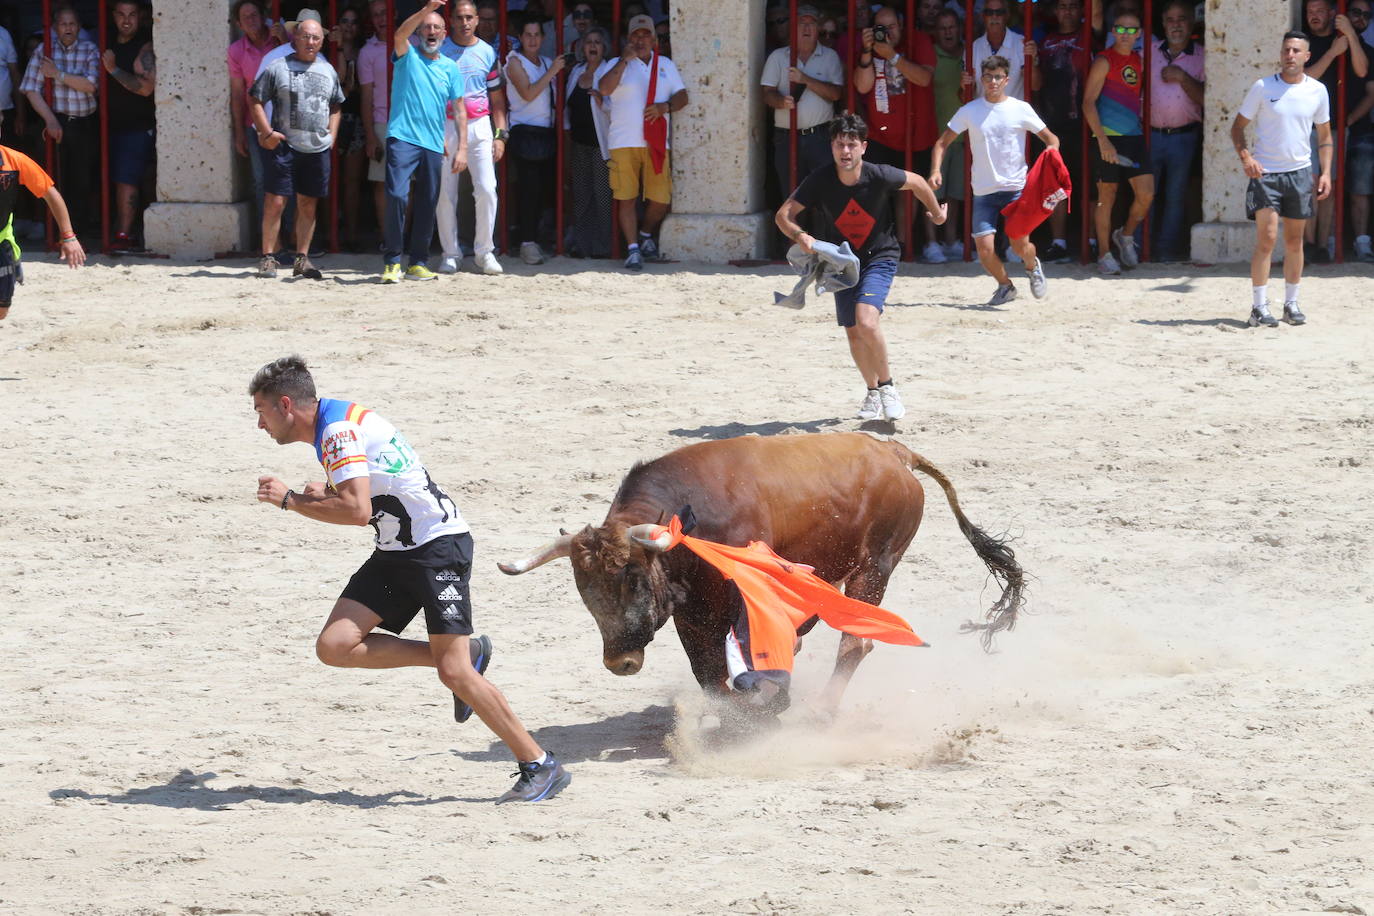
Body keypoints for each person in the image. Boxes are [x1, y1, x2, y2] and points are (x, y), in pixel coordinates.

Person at [249, 355, 571, 805]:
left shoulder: (337, 432)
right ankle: (471, 653)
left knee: (453, 672)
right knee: (336, 645)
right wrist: (321, 494)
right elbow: (378, 489)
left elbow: (358, 511)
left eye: (261, 412)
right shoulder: (338, 416)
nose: (260, 425)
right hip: (397, 549)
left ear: (285, 405)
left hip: (438, 550)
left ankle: (540, 764)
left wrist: (290, 501)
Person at [775, 113, 948, 423]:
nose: (845, 152)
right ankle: (872, 392)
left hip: (880, 255)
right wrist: (801, 236)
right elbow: (783, 216)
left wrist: (937, 215)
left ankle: (888, 387)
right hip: (840, 262)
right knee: (853, 333)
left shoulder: (879, 175)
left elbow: (920, 183)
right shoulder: (819, 179)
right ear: (831, 147)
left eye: (852, 145)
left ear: (863, 147)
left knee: (866, 320)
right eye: (840, 145)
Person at [931, 56, 1058, 306]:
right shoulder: (970, 110)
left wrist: (1050, 162)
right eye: (988, 77)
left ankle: (1032, 267)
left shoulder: (1020, 108)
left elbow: (1051, 139)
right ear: (982, 79)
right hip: (984, 191)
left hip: (1015, 189)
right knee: (985, 251)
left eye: (998, 77)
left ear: (1007, 80)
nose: (993, 82)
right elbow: (941, 142)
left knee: (1020, 246)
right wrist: (936, 170)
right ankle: (1005, 285)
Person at [1232, 31, 1331, 327]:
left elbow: (1324, 136)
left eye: (1296, 50)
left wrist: (1325, 172)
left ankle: (1291, 303)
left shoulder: (1318, 90)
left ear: (1306, 56)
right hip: (1266, 175)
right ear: (1280, 54)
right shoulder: (1262, 87)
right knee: (1267, 238)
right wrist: (1246, 158)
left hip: (1300, 173)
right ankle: (1259, 307)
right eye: (1286, 49)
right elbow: (1237, 128)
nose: (1290, 55)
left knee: (1294, 240)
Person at [249, 13, 344, 280]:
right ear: (295, 38)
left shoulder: (327, 69)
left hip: (315, 148)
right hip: (284, 146)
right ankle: (268, 257)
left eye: (316, 37)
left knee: (308, 203)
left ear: (322, 41)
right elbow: (254, 98)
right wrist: (265, 131)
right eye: (305, 36)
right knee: (276, 201)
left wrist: (332, 135)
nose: (310, 41)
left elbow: (336, 105)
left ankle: (302, 258)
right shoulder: (278, 66)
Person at [380, 0, 467, 284]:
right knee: (396, 196)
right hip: (402, 137)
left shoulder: (451, 68)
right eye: (426, 26)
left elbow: (460, 108)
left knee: (429, 202)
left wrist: (462, 147)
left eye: (437, 27)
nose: (431, 31)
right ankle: (393, 261)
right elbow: (398, 35)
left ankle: (418, 262)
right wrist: (425, 9)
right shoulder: (407, 54)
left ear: (444, 34)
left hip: (432, 142)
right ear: (419, 31)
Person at [598, 14, 688, 271]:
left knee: (661, 198)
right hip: (623, 142)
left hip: (657, 143)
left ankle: (646, 235)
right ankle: (633, 248)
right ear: (628, 39)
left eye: (645, 34)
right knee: (626, 198)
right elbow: (604, 89)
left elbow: (683, 96)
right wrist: (624, 62)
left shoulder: (666, 65)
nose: (640, 39)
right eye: (635, 35)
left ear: (654, 39)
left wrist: (665, 106)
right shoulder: (616, 64)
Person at [853, 6, 938, 256]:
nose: (887, 33)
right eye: (881, 28)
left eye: (891, 27)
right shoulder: (870, 49)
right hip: (881, 135)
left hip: (916, 135)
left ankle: (903, 244)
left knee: (909, 193)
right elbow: (862, 85)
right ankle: (876, 244)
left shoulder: (918, 41)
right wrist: (868, 52)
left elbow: (923, 78)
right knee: (874, 191)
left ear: (901, 25)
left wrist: (892, 56)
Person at [1082, 9, 1154, 275]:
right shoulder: (1103, 60)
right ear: (1113, 32)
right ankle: (1104, 254)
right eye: (1120, 29)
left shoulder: (1139, 60)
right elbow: (1088, 103)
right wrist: (1103, 142)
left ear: (1139, 34)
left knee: (1146, 194)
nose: (1125, 34)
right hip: (1107, 138)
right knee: (1106, 198)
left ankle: (1125, 235)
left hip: (1133, 137)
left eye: (1131, 29)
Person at [438, 0, 507, 276]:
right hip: (446, 125)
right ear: (451, 20)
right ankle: (450, 254)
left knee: (487, 189)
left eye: (469, 17)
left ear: (477, 20)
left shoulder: (488, 52)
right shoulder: (439, 50)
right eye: (459, 17)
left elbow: (498, 101)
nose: (464, 22)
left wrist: (501, 136)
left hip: (479, 125)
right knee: (445, 193)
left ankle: (484, 252)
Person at [20, 6, 99, 235]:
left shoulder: (89, 49)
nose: (68, 28)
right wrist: (50, 120)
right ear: (55, 28)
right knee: (53, 180)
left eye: (72, 24)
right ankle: (55, 233)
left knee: (82, 182)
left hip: (84, 124)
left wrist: (57, 75)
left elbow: (90, 85)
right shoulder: (45, 50)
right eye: (63, 24)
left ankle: (79, 233)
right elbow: (30, 89)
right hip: (56, 123)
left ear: (79, 27)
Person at [1302, 0, 1368, 262]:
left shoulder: (1345, 39)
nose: (1314, 16)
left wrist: (1350, 35)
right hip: (1306, 126)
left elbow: (1362, 70)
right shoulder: (1303, 41)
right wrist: (1332, 53)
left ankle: (1321, 245)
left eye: (1319, 11)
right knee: (1309, 184)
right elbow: (1303, 79)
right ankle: (1307, 245)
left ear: (1332, 13)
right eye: (1309, 12)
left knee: (1328, 186)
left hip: (1334, 126)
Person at [760, 4, 843, 198]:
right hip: (786, 138)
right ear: (793, 28)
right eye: (801, 23)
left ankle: (818, 230)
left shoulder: (830, 57)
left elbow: (836, 94)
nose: (806, 29)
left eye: (811, 24)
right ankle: (795, 229)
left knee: (824, 194)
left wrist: (805, 79)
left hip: (820, 137)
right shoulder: (778, 57)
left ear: (817, 29)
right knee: (791, 196)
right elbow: (766, 94)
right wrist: (781, 102)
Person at [0, 141, 85, 321]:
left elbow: (50, 193)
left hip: (2, 243)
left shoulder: (14, 160)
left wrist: (68, 237)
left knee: (2, 310)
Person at [1146, 1, 1204, 262]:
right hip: (1150, 135)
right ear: (1163, 23)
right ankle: (1140, 248)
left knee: (1175, 197)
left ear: (1191, 23)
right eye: (1170, 19)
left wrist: (1182, 77)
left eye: (1181, 19)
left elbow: (1207, 99)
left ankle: (1165, 251)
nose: (1176, 24)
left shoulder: (1202, 55)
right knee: (1145, 194)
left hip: (1184, 136)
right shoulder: (1149, 51)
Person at [1037, 0, 1092, 262]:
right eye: (1062, 6)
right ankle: (1058, 243)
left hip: (1087, 123)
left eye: (1073, 5)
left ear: (1082, 10)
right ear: (1054, 11)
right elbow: (1036, 84)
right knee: (1056, 186)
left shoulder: (1091, 35)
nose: (1067, 11)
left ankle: (1091, 241)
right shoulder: (1045, 42)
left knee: (1091, 185)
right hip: (1054, 125)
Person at [505, 16, 562, 266]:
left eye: (536, 35)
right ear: (520, 38)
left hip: (546, 134)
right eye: (527, 35)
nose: (532, 39)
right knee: (528, 191)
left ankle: (536, 239)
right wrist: (552, 73)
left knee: (543, 192)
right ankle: (527, 243)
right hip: (524, 133)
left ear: (543, 37)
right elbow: (527, 93)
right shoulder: (513, 62)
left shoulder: (547, 62)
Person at [101, 0, 156, 252]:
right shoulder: (107, 41)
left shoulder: (144, 45)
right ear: (112, 16)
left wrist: (112, 70)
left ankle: (124, 234)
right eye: (121, 14)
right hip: (106, 126)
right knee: (112, 179)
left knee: (127, 179)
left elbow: (146, 88)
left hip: (136, 127)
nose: (126, 20)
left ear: (140, 16)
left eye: (132, 14)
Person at [228, 0, 282, 241]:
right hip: (255, 124)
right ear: (238, 24)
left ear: (263, 16)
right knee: (262, 180)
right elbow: (238, 93)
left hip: (286, 121)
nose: (250, 20)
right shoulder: (237, 51)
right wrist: (239, 132)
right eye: (244, 17)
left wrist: (285, 41)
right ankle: (269, 240)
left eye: (254, 14)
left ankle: (291, 235)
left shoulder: (280, 38)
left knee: (288, 177)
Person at [564, 25, 613, 258]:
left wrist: (604, 103)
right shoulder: (576, 72)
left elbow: (618, 109)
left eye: (598, 42)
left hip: (601, 147)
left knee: (603, 197)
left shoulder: (609, 71)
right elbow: (566, 109)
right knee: (582, 196)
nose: (593, 46)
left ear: (605, 48)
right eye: (589, 42)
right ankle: (582, 246)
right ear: (583, 47)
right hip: (578, 144)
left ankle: (604, 247)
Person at [927, 9, 965, 262]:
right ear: (935, 32)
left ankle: (951, 241)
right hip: (936, 135)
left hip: (963, 137)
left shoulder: (968, 55)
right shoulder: (931, 56)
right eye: (943, 28)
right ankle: (931, 243)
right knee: (931, 191)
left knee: (956, 193)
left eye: (952, 27)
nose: (948, 32)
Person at [330, 5, 368, 251]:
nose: (348, 26)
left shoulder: (366, 51)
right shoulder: (326, 50)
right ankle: (329, 232)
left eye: (353, 22)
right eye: (344, 20)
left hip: (356, 118)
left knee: (352, 181)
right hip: (330, 117)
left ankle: (352, 235)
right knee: (330, 179)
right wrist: (340, 48)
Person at [358, 0, 390, 245]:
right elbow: (366, 97)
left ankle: (403, 235)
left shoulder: (412, 43)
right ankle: (385, 236)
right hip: (381, 122)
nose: (381, 18)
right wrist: (370, 135)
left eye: (385, 13)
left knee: (409, 184)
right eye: (376, 15)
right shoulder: (368, 51)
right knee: (381, 183)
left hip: (409, 122)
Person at [1345, 1, 1374, 261]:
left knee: (1361, 184)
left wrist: (1350, 120)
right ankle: (1325, 240)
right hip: (1323, 127)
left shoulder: (1369, 52)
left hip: (1359, 127)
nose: (1361, 19)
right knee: (1324, 185)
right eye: (1355, 12)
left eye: (1366, 15)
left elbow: (1371, 94)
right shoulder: (1322, 46)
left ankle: (1361, 241)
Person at [969, 0, 1039, 102]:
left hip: (1013, 116)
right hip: (983, 116)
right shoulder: (973, 48)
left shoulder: (1021, 43)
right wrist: (965, 86)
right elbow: (964, 96)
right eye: (989, 12)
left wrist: (1032, 61)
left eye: (999, 12)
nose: (994, 17)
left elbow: (1035, 86)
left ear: (1007, 16)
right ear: (983, 16)